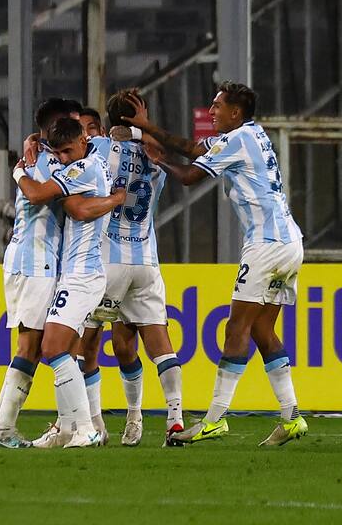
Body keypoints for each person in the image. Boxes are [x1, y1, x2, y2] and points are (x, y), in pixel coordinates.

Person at [123, 81, 308, 447]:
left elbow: (192, 176)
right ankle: (291, 417)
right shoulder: (251, 133)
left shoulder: (237, 140)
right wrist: (148, 127)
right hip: (290, 242)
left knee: (235, 328)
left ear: (235, 113)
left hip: (266, 245)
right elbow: (193, 149)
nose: (211, 112)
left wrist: (158, 162)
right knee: (262, 331)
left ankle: (215, 419)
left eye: (217, 106)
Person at [82, 89, 185, 448]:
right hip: (145, 259)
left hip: (107, 259)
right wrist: (144, 129)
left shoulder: (96, 149)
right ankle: (174, 420)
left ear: (109, 121)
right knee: (159, 343)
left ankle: (94, 425)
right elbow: (169, 153)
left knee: (86, 341)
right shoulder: (156, 155)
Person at [14, 117, 125, 448]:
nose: (63, 158)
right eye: (58, 152)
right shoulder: (88, 161)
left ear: (82, 142)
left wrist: (18, 170)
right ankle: (66, 429)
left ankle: (86, 428)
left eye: (67, 151)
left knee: (52, 347)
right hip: (74, 273)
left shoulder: (83, 168)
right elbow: (76, 205)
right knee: (68, 351)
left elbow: (40, 196)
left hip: (83, 275)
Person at [0, 98, 70, 448]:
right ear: (55, 130)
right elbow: (39, 196)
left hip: (28, 258)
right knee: (30, 345)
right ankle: (4, 428)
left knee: (30, 344)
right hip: (35, 261)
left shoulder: (38, 155)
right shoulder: (46, 162)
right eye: (70, 124)